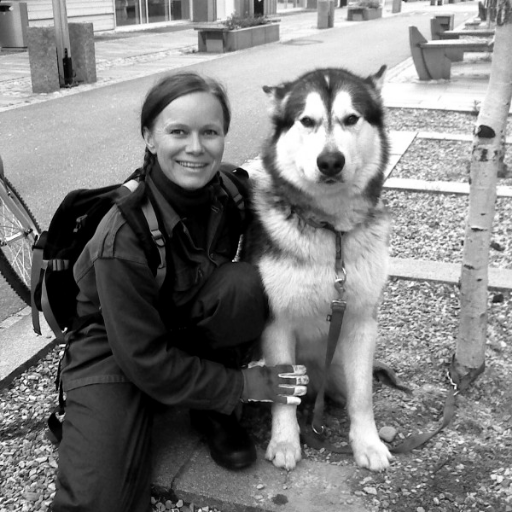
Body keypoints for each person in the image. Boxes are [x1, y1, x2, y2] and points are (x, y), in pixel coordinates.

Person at [51, 72, 309, 512]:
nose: (195, 147)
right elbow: (143, 358)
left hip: (184, 325)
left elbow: (300, 212)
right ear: (150, 137)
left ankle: (211, 409)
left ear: (224, 137)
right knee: (99, 502)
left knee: (246, 284)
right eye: (178, 131)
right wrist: (245, 382)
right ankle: (99, 409)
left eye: (210, 132)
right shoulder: (123, 235)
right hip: (115, 350)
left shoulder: (231, 191)